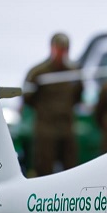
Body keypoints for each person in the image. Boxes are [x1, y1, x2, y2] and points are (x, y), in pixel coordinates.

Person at [22, 32, 83, 176]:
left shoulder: (74, 72)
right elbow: (27, 98)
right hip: (46, 131)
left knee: (71, 170)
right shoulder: (38, 72)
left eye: (65, 49)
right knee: (44, 170)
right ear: (52, 48)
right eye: (59, 48)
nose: (61, 53)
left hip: (67, 128)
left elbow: (78, 96)